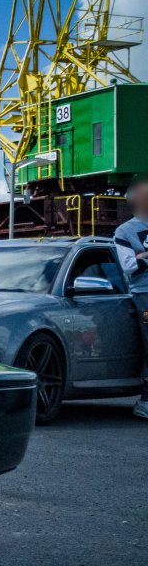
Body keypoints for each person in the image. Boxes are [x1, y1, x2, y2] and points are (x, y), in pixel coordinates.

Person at [113, 174, 148, 420]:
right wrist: (143, 259)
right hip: (145, 293)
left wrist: (143, 257)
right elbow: (129, 266)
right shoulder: (125, 231)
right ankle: (146, 400)